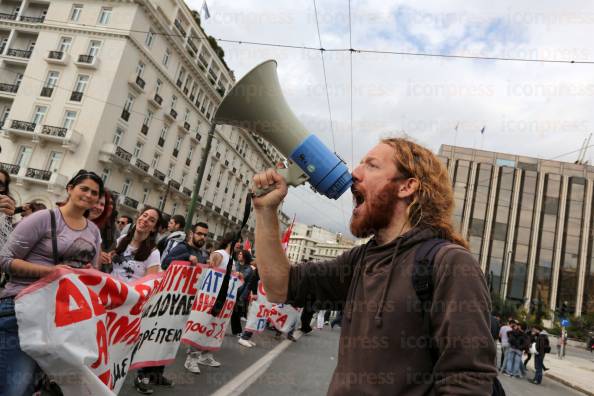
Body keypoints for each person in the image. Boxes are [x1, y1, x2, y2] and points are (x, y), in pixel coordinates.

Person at [251, 137, 496, 395]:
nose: (355, 173)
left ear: (407, 187)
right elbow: (280, 286)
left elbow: (468, 382)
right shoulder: (360, 260)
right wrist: (266, 211)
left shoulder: (449, 263)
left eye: (371, 165)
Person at [0, 169, 103, 395]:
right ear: (70, 189)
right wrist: (51, 271)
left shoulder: (94, 232)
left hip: (62, 319)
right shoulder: (43, 218)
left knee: (32, 388)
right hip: (22, 309)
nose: (88, 195)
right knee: (14, 388)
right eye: (83, 188)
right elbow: (5, 260)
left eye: (94, 193)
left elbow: (92, 275)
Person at [108, 207, 172, 394]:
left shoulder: (153, 253)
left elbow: (150, 284)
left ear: (154, 228)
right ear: (138, 218)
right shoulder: (120, 241)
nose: (146, 220)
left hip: (128, 308)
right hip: (108, 302)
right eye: (144, 216)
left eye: (151, 220)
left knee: (119, 351)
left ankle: (110, 386)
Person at [184, 232, 235, 373]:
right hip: (210, 298)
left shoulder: (231, 258)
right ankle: (191, 359)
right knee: (202, 324)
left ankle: (205, 355)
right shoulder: (219, 254)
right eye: (239, 242)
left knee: (214, 327)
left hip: (223, 299)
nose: (240, 246)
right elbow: (210, 273)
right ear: (232, 242)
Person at [90, 189, 118, 272]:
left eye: (112, 204)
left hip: (103, 270)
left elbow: (112, 247)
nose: (110, 206)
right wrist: (98, 254)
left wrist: (112, 254)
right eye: (107, 203)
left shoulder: (112, 226)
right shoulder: (89, 222)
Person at [231, 250, 254, 336]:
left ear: (245, 256)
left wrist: (242, 297)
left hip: (239, 293)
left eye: (241, 254)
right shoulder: (234, 264)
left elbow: (248, 285)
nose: (239, 255)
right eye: (239, 254)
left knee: (236, 313)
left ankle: (237, 331)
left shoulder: (249, 269)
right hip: (230, 290)